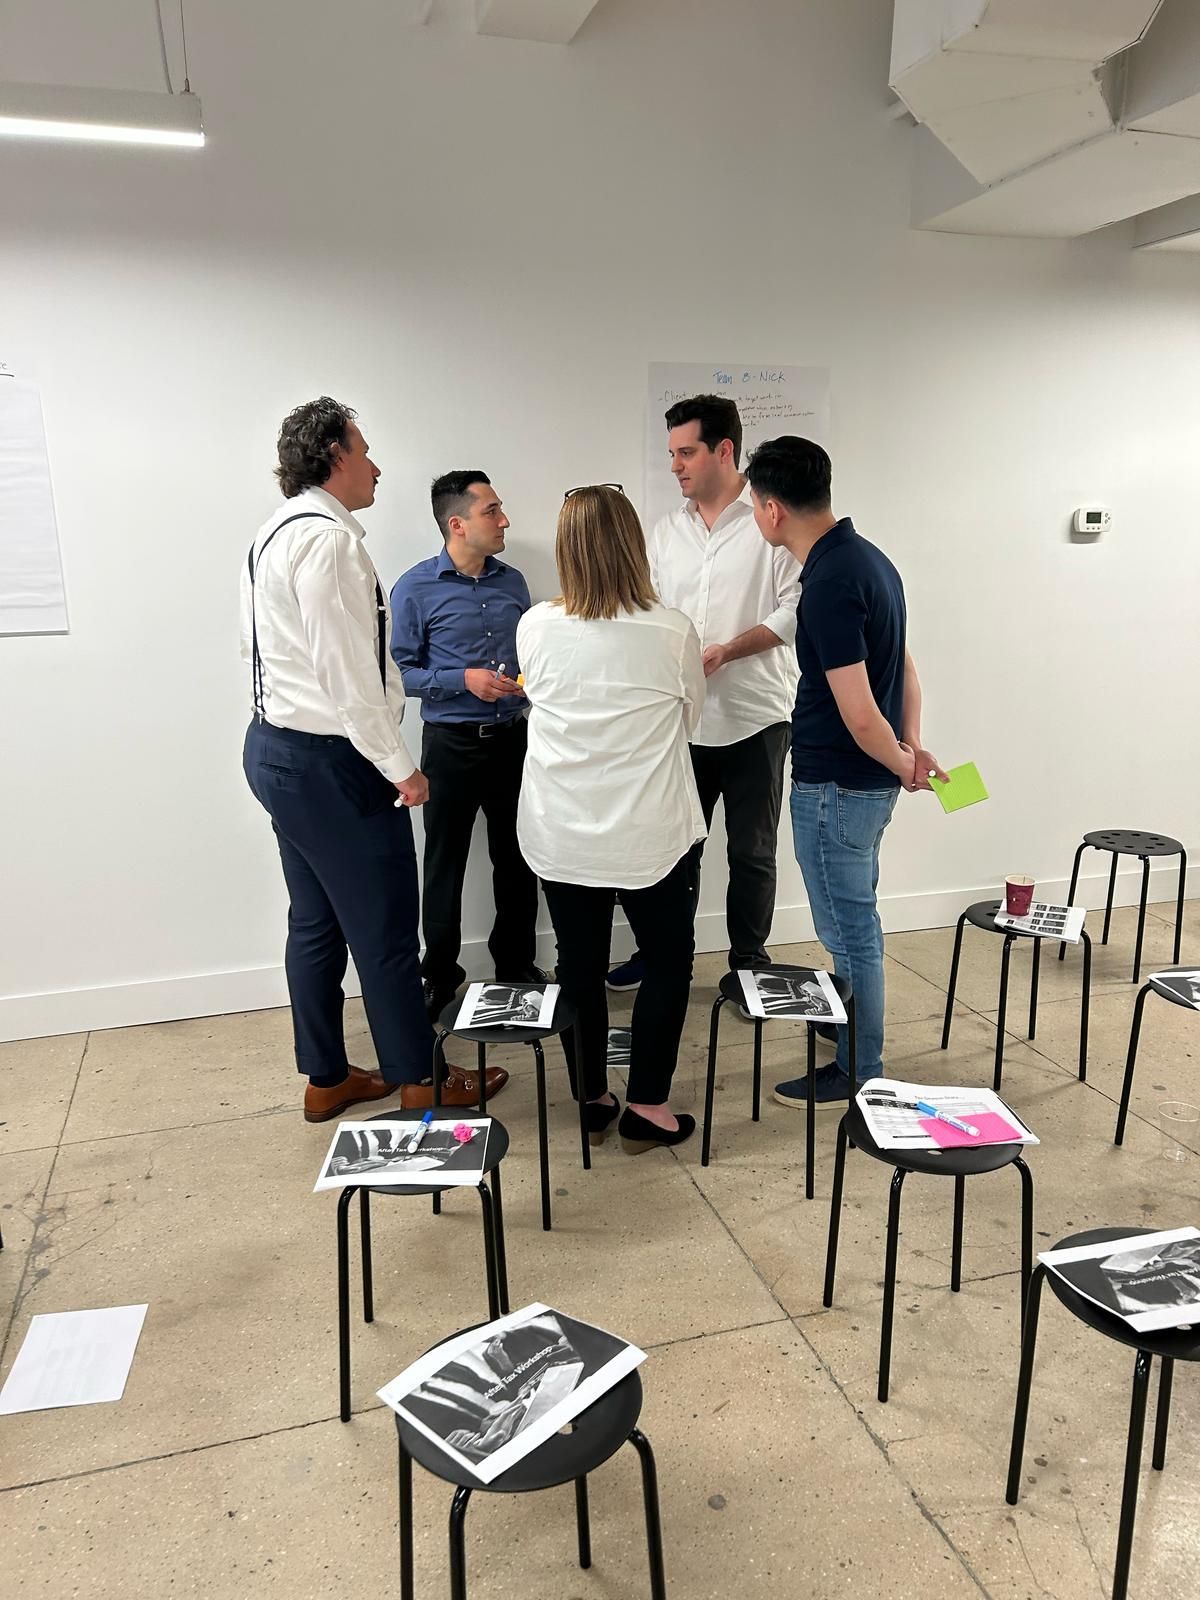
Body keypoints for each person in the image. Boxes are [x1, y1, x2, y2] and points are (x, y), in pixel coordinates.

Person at [241, 399, 506, 1121]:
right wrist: (401, 767)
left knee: (317, 922)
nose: (377, 465)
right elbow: (348, 675)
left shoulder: (274, 530)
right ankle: (421, 1079)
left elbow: (260, 649)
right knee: (387, 930)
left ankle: (327, 1077)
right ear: (334, 454)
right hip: (332, 762)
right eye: (365, 449)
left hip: (277, 749)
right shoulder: (326, 542)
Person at [746, 435, 945, 1106]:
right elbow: (905, 667)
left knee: (851, 929)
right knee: (854, 916)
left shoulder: (828, 582)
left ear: (772, 509)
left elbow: (859, 713)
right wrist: (910, 748)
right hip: (865, 783)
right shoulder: (869, 561)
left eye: (753, 504)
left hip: (836, 784)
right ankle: (851, 1034)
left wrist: (900, 758)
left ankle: (860, 1067)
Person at [517, 485, 705, 1153]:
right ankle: (648, 1104)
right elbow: (691, 719)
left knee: (579, 964)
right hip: (652, 831)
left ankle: (592, 1096)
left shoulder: (534, 625)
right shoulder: (672, 628)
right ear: (635, 546)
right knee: (666, 962)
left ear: (566, 551)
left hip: (561, 828)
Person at [606, 395, 800, 997]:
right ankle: (663, 954)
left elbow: (796, 610)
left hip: (756, 717)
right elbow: (650, 612)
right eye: (671, 454)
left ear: (724, 450)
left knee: (752, 853)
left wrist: (725, 651)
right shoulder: (666, 531)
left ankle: (748, 964)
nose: (675, 466)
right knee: (673, 851)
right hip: (683, 722)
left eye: (685, 452)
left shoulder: (772, 522)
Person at [390, 472, 547, 1020]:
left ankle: (516, 966)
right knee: (444, 864)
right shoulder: (414, 588)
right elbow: (398, 673)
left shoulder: (515, 584)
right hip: (451, 746)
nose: (504, 521)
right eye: (493, 511)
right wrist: (464, 681)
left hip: (514, 740)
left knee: (518, 857)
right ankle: (438, 974)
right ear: (457, 524)